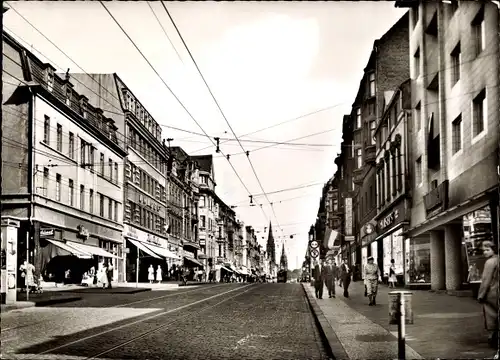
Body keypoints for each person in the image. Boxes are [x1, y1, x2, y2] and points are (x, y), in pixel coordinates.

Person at [477, 240, 498, 349]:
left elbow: (486, 280)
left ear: (493, 249)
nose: (484, 252)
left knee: (491, 315)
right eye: (483, 250)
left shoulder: (490, 262)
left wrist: (481, 295)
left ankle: (492, 338)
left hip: (492, 293)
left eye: (487, 250)